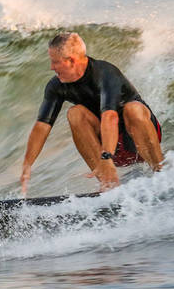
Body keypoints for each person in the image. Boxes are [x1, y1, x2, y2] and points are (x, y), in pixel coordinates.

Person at [20, 32, 163, 194]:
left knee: (133, 109)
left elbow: (110, 116)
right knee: (75, 113)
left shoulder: (105, 73)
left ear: (71, 61)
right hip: (111, 151)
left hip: (138, 137)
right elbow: (42, 126)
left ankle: (161, 172)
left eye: (55, 62)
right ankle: (109, 186)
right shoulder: (56, 86)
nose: (51, 67)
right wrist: (27, 164)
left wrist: (106, 156)